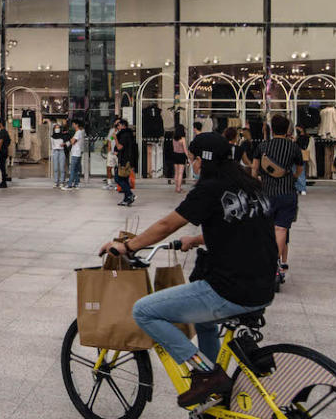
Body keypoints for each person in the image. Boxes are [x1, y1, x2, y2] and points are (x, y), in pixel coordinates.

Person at [101, 133, 276, 408]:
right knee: (204, 322)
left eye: (192, 159)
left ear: (201, 161)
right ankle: (213, 387)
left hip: (230, 290)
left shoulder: (210, 188)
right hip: (263, 287)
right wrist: (196, 240)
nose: (191, 165)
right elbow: (239, 227)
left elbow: (167, 225)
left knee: (143, 311)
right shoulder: (251, 185)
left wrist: (129, 246)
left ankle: (206, 375)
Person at [251, 115, 303, 287]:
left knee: (265, 229)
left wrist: (257, 181)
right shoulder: (293, 147)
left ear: (271, 129)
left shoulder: (263, 146)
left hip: (266, 193)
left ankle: (263, 264)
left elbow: (254, 168)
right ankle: (275, 265)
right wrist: (292, 177)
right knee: (281, 229)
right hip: (287, 193)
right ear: (288, 129)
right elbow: (299, 169)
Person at [113, 119, 137, 205]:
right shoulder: (128, 134)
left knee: (118, 178)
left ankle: (130, 195)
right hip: (127, 159)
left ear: (123, 125)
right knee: (124, 179)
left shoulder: (124, 135)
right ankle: (127, 199)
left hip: (124, 160)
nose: (117, 127)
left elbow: (120, 147)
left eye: (118, 125)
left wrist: (115, 138)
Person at [62, 119, 85, 191]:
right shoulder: (80, 132)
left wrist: (71, 140)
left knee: (72, 169)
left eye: (73, 124)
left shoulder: (78, 132)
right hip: (78, 153)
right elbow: (72, 141)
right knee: (76, 170)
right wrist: (67, 143)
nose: (72, 125)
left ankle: (69, 185)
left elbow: (72, 141)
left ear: (76, 125)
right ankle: (76, 184)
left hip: (75, 153)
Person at [294, 126, 310, 196]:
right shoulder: (298, 136)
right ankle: (298, 188)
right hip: (296, 155)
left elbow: (303, 145)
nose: (297, 129)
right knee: (296, 171)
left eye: (298, 128)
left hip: (301, 155)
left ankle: (302, 188)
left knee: (301, 172)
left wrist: (295, 140)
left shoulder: (305, 137)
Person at [172, 124, 188, 194]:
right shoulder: (183, 139)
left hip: (175, 155)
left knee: (176, 173)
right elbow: (185, 150)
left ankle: (176, 187)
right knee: (180, 173)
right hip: (181, 155)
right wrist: (188, 157)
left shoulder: (174, 139)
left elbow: (173, 148)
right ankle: (179, 188)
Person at [50, 123, 67, 188]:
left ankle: (62, 182)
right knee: (55, 168)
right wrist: (52, 153)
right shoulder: (52, 137)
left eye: (58, 128)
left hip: (62, 151)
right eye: (56, 128)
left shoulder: (63, 136)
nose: (57, 129)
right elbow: (52, 146)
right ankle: (56, 182)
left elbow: (67, 142)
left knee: (62, 168)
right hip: (55, 151)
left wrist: (64, 144)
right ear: (54, 129)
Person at [0, 123, 12, 188]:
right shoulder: (5, 131)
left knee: (2, 167)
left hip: (2, 152)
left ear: (0, 123)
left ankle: (3, 183)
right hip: (5, 151)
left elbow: (1, 142)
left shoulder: (2, 132)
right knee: (2, 167)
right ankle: (3, 181)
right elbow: (8, 141)